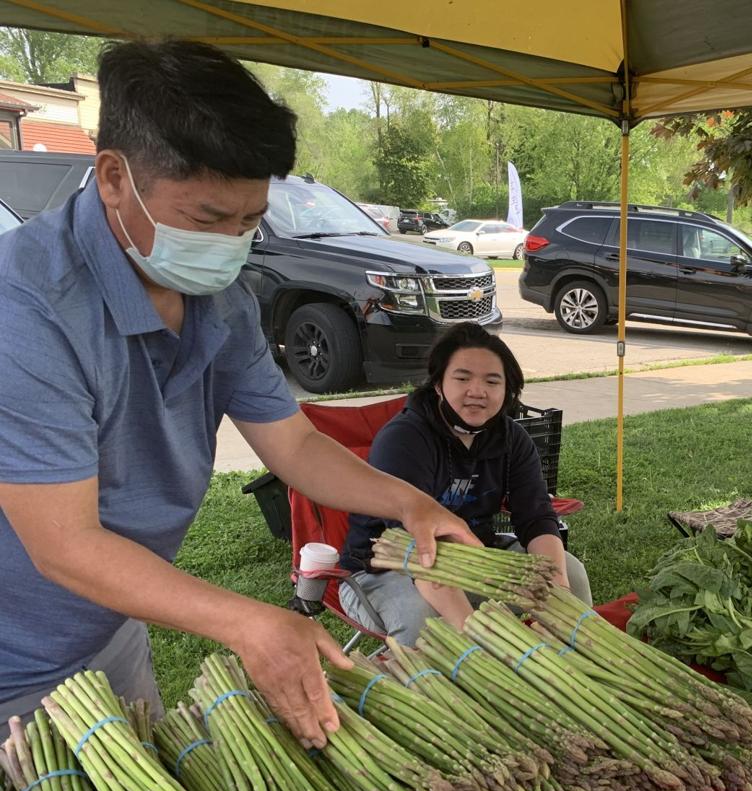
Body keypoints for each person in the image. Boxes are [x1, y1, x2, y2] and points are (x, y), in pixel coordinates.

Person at [0, 40, 480, 749]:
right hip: (13, 652)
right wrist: (247, 621)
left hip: (112, 617)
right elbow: (64, 544)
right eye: (207, 219)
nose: (230, 243)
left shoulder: (215, 297)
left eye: (250, 221)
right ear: (113, 178)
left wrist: (409, 503)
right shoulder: (25, 304)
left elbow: (295, 444)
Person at [340, 323, 591, 642]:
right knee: (423, 621)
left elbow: (537, 518)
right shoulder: (404, 440)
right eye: (462, 378)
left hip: (478, 557)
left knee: (570, 572)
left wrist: (561, 596)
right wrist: (475, 634)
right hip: (388, 567)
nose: (477, 391)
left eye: (492, 381)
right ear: (438, 384)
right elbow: (418, 549)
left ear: (507, 390)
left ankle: (572, 658)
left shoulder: (512, 439)